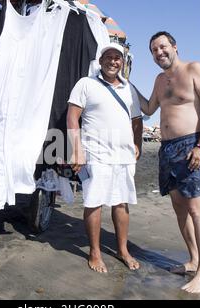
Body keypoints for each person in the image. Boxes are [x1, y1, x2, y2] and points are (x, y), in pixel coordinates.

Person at [135, 31, 200, 293]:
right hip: (167, 149)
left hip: (192, 145)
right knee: (179, 208)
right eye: (154, 50)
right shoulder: (159, 80)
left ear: (174, 46)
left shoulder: (195, 69)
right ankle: (193, 261)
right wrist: (127, 83)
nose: (159, 53)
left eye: (162, 47)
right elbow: (148, 109)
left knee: (196, 209)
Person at [67, 43, 143, 273]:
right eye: (108, 57)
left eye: (117, 58)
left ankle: (122, 250)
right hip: (95, 153)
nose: (112, 61)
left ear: (122, 62)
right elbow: (72, 118)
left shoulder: (129, 88)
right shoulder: (86, 84)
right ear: (100, 61)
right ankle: (95, 252)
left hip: (124, 156)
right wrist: (76, 150)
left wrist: (137, 144)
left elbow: (137, 120)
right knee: (94, 202)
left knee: (121, 202)